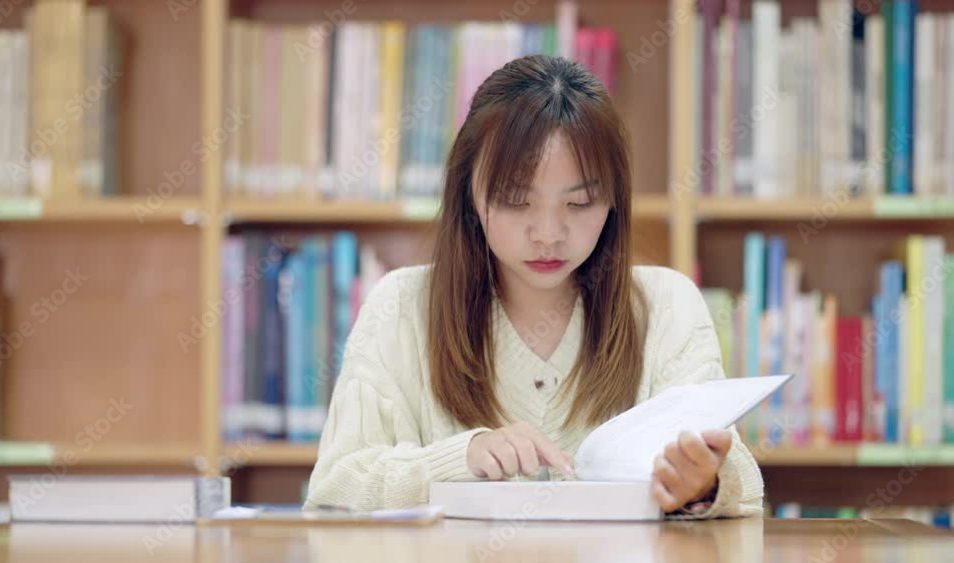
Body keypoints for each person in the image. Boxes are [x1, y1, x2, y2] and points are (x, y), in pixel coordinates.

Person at [303, 55, 763, 518]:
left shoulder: (666, 305)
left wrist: (703, 483)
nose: (548, 232)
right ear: (470, 194)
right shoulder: (402, 306)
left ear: (613, 203)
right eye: (515, 201)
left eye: (580, 202)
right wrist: (459, 458)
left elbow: (743, 486)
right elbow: (334, 489)